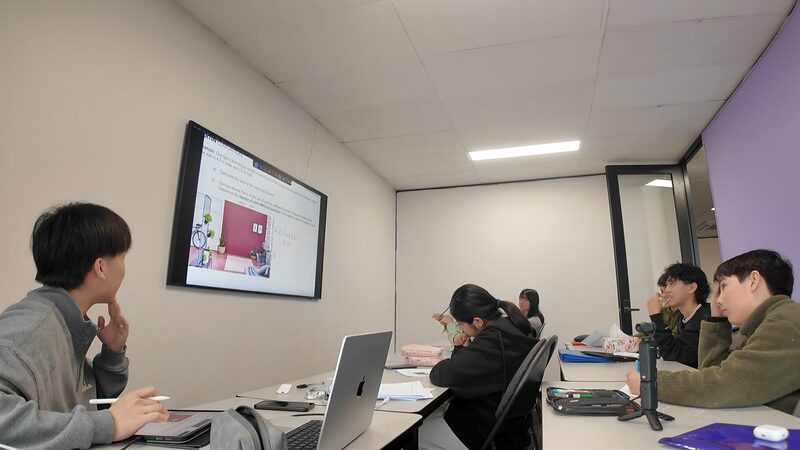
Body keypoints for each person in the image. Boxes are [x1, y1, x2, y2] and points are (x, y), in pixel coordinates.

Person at [0, 203, 169, 448]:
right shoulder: (30, 329)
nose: (124, 269)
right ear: (100, 267)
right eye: (122, 258)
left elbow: (83, 406)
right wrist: (108, 424)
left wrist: (111, 356)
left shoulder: (64, 319)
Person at [627, 249, 800, 415]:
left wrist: (650, 382)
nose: (718, 300)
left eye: (724, 286)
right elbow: (714, 371)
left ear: (753, 281)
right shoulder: (765, 324)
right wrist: (716, 320)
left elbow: (726, 385)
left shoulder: (785, 322)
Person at [422, 284, 537, 450]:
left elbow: (442, 374)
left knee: (410, 434)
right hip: (501, 425)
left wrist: (461, 348)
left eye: (460, 324)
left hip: (475, 431)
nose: (461, 328)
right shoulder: (509, 328)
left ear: (477, 321)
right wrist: (465, 348)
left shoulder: (494, 341)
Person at [642, 263, 711, 368]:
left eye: (671, 284)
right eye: (667, 285)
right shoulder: (682, 317)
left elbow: (675, 355)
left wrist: (655, 315)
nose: (666, 290)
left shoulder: (706, 317)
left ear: (691, 288)